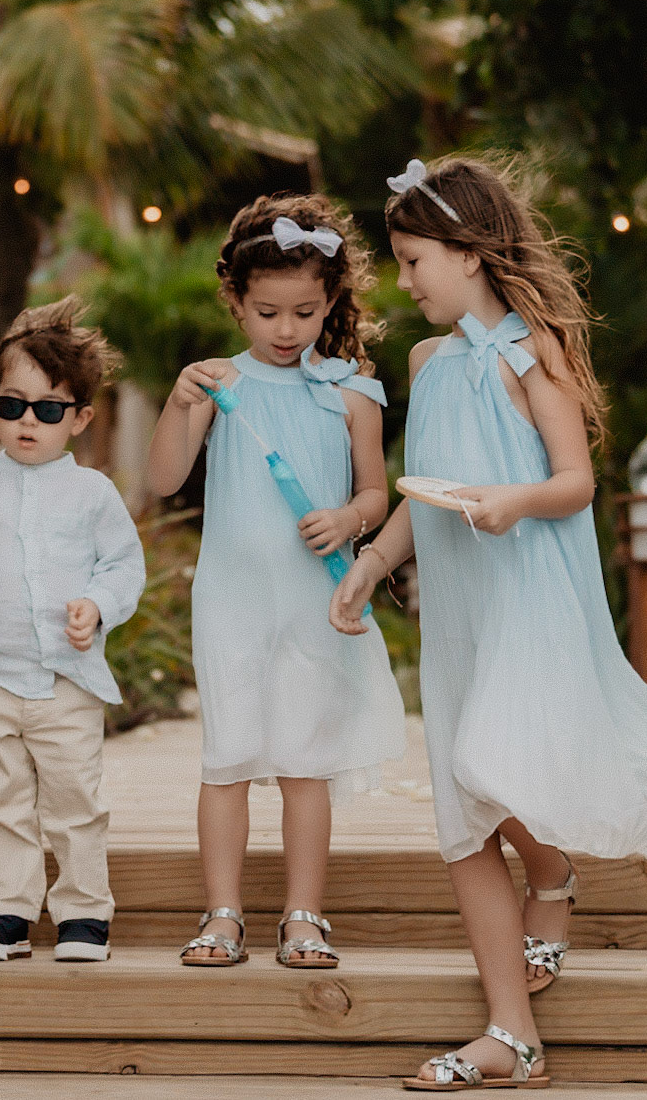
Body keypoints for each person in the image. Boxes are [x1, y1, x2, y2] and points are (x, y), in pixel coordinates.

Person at [330, 157, 647, 1090]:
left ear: (473, 253)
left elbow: (575, 482)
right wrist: (371, 562)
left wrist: (515, 501)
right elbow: (425, 488)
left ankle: (554, 876)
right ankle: (511, 1032)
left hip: (529, 597)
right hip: (460, 612)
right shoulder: (425, 362)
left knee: (491, 765)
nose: (403, 283)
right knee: (461, 810)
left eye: (414, 261)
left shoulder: (540, 353)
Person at [146, 194, 406, 971]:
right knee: (226, 759)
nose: (286, 329)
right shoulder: (221, 383)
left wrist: (345, 518)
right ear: (235, 300)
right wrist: (178, 400)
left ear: (331, 301)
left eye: (304, 310)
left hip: (311, 605)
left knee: (304, 761)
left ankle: (303, 914)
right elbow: (164, 478)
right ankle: (222, 913)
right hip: (232, 600)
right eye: (267, 311)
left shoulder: (350, 388)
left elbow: (375, 493)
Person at [0, 297, 145, 964]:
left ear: (80, 417)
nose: (27, 422)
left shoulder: (93, 494)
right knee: (2, 798)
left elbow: (125, 565)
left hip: (66, 680)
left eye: (47, 408)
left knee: (73, 799)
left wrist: (97, 603)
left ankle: (82, 913)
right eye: (13, 405)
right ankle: (7, 912)